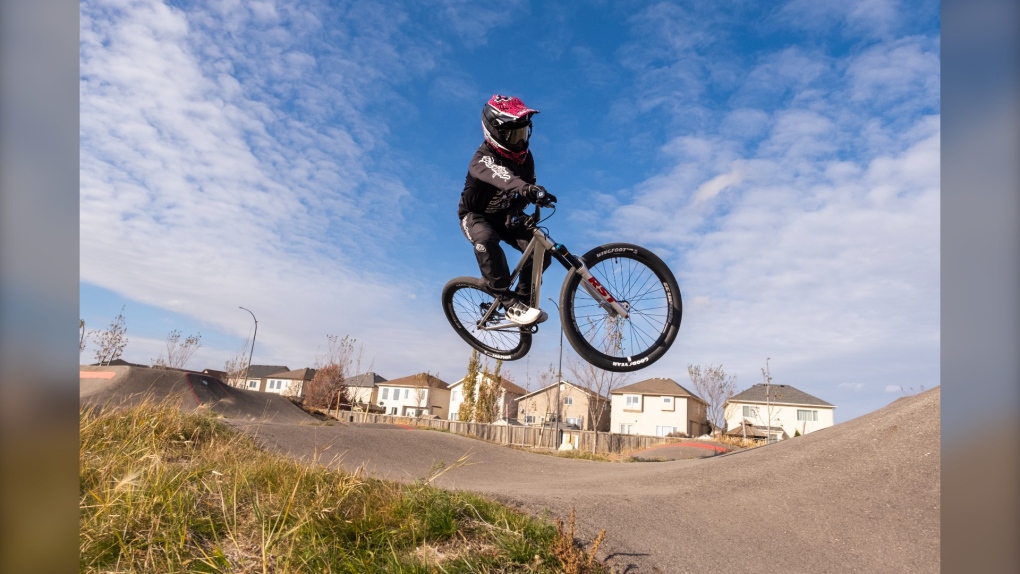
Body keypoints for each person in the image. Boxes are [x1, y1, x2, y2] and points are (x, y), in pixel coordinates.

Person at [458, 94, 557, 326]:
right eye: (512, 135)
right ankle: (507, 301)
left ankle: (523, 302)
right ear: (493, 133)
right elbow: (506, 179)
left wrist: (517, 206)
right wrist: (526, 189)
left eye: (523, 133)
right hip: (475, 216)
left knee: (541, 251)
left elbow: (524, 190)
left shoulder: (525, 158)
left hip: (503, 215)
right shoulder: (481, 160)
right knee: (485, 238)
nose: (519, 142)